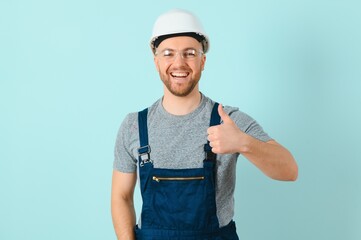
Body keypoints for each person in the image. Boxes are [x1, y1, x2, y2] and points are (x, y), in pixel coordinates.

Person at [111, 9, 298, 240]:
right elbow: (121, 196)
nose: (179, 63)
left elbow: (289, 170)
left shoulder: (228, 120)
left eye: (189, 53)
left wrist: (243, 142)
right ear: (156, 61)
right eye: (168, 54)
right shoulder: (134, 126)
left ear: (203, 60)